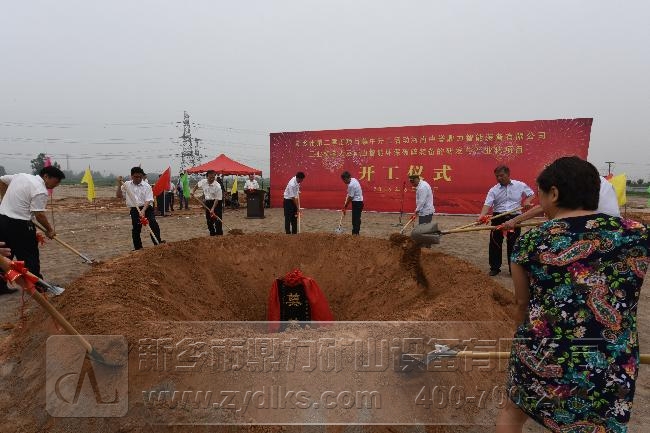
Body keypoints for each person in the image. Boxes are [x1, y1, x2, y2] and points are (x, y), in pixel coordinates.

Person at [496, 156, 649, 433]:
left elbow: (521, 303)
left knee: (513, 409)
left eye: (541, 194)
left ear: (554, 193)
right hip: (609, 359)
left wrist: (521, 339)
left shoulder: (531, 241)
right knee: (598, 425)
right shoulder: (636, 234)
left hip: (541, 354)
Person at [0, 166, 65, 294]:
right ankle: (38, 286)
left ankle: (0, 286)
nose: (56, 185)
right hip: (20, 225)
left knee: (4, 255)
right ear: (46, 176)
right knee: (30, 257)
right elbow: (39, 214)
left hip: (2, 220)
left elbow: (1, 180)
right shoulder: (40, 190)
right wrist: (49, 230)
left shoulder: (21, 176)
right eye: (56, 181)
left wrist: (4, 200)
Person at [499, 175, 621, 230]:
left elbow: (543, 207)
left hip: (592, 227)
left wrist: (514, 221)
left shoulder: (572, 183)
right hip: (615, 224)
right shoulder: (601, 181)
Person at [477, 165, 534, 276]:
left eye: (501, 175)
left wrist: (527, 201)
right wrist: (482, 216)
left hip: (515, 217)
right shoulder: (493, 190)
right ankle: (495, 268)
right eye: (497, 176)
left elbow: (531, 194)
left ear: (508, 174)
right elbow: (487, 204)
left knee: (513, 243)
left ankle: (513, 270)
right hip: (498, 217)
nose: (499, 178)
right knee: (495, 242)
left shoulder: (520, 185)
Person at [116, 167, 163, 250]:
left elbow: (148, 199)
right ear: (131, 176)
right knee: (136, 228)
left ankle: (157, 243)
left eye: (140, 177)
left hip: (147, 208)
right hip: (134, 209)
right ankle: (138, 248)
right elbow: (119, 196)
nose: (138, 179)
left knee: (153, 224)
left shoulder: (146, 186)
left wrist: (143, 210)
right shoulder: (126, 184)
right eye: (136, 177)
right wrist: (119, 184)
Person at [192, 170, 223, 236]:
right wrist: (193, 191)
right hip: (208, 203)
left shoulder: (218, 186)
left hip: (216, 203)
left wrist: (213, 208)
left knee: (217, 219)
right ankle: (212, 234)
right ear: (207, 177)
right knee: (209, 220)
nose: (212, 179)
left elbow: (217, 199)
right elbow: (197, 185)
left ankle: (219, 235)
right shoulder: (203, 181)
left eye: (213, 177)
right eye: (210, 177)